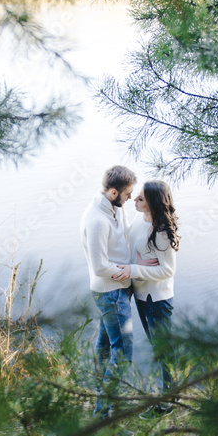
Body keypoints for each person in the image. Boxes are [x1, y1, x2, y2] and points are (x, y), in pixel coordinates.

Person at [120, 180, 179, 419]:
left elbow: (167, 271)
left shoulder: (161, 232)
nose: (134, 199)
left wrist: (133, 271)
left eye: (141, 198)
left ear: (153, 203)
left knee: (164, 349)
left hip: (158, 299)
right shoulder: (137, 221)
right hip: (141, 295)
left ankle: (169, 401)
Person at [80, 165, 136, 417]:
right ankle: (104, 413)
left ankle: (102, 403)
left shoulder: (112, 208)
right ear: (113, 192)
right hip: (111, 293)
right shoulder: (96, 221)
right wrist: (128, 271)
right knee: (123, 353)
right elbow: (100, 266)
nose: (130, 198)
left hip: (115, 292)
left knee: (105, 348)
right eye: (127, 194)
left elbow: (124, 235)